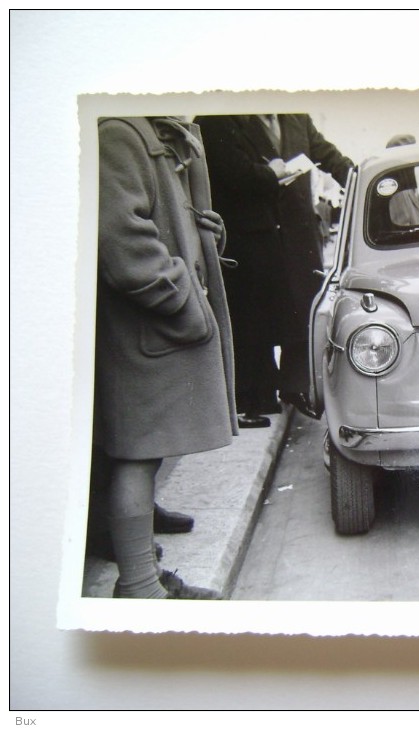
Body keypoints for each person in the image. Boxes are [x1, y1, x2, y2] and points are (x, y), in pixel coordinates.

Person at [96, 116, 239, 598]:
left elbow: (155, 219)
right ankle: (139, 587)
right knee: (137, 456)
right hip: (147, 327)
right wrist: (185, 303)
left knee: (147, 454)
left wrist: (201, 233)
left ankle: (143, 576)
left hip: (157, 327)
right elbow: (122, 243)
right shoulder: (120, 134)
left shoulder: (155, 134)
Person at [194, 114, 354, 427]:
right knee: (256, 316)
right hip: (251, 234)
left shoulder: (296, 118)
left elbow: (329, 157)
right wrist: (272, 174)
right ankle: (257, 396)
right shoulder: (223, 119)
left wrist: (361, 179)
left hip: (296, 233)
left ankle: (296, 388)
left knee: (301, 310)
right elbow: (232, 172)